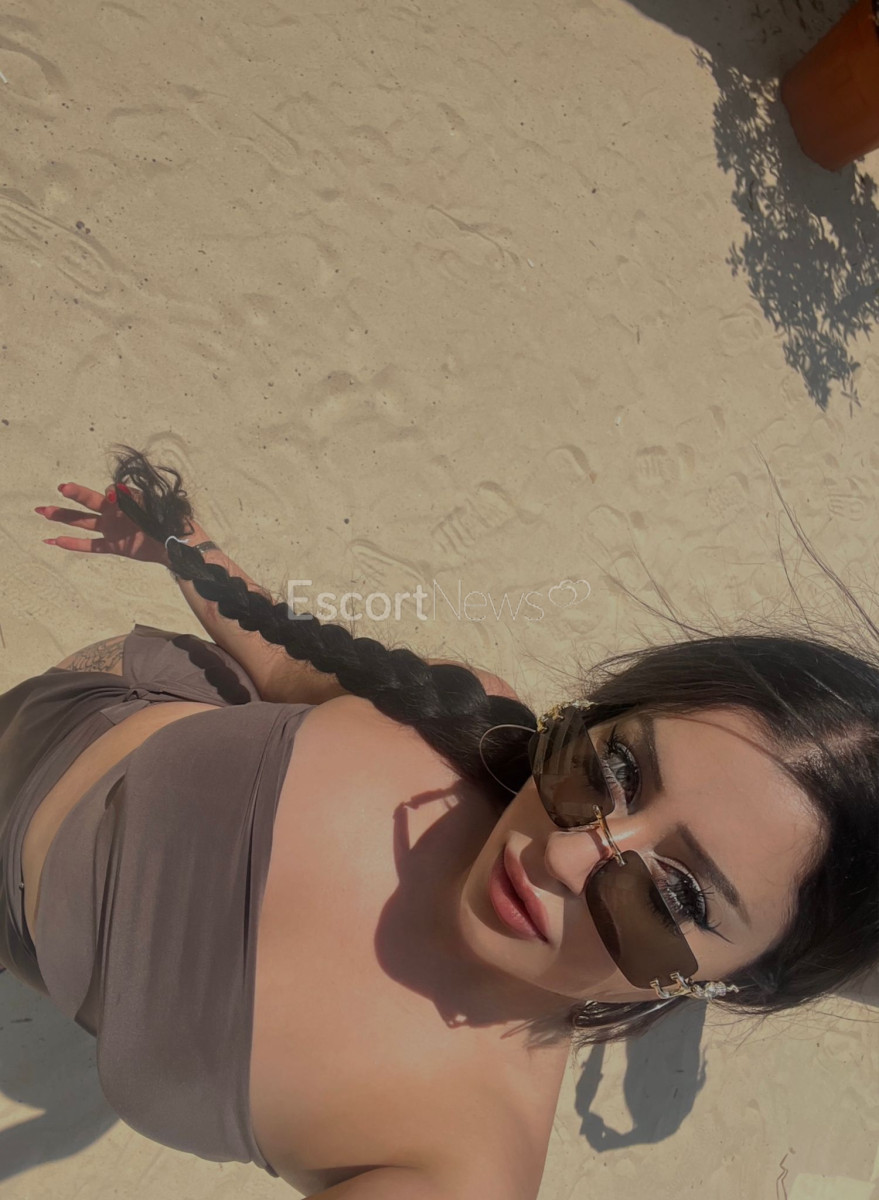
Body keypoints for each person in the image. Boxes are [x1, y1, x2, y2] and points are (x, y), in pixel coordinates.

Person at [5, 443, 877, 1199]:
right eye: (615, 769)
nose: (566, 855)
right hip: (89, 702)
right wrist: (182, 548)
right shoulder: (463, 723)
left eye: (678, 896)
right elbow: (281, 664)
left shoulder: (459, 1164)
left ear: (739, 984)